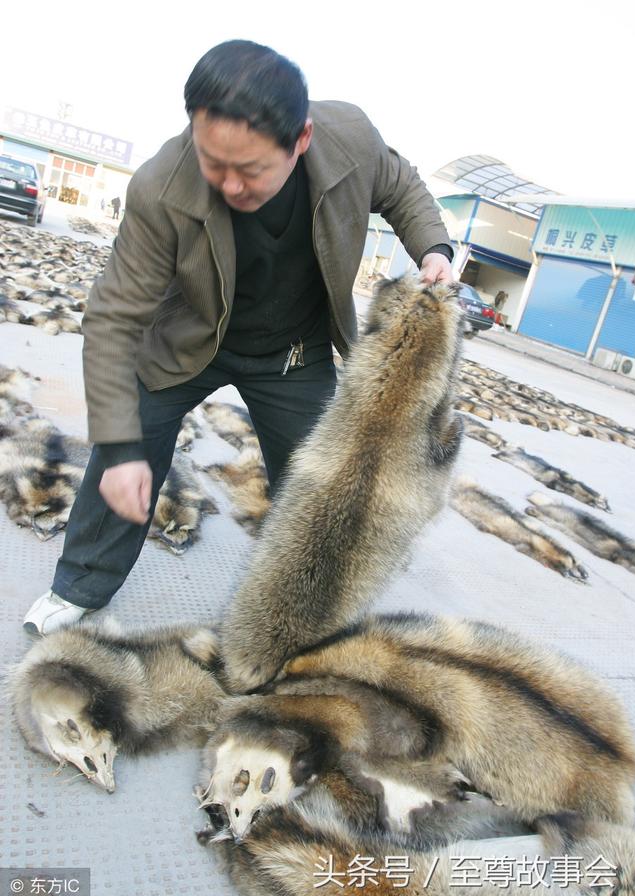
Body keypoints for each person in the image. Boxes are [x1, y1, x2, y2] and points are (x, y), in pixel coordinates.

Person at [23, 39, 453, 636]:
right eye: (211, 162)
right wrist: (121, 451)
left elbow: (401, 185)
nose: (228, 185)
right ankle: (80, 585)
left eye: (250, 170)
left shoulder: (349, 138)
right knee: (124, 454)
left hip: (292, 351)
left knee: (316, 487)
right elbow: (115, 316)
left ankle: (308, 614)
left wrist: (433, 249)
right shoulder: (160, 186)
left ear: (299, 141)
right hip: (186, 341)